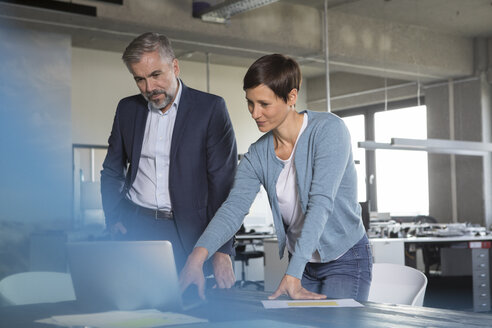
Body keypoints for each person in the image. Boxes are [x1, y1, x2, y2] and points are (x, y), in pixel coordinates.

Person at [180, 54, 372, 301]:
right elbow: (233, 209)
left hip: (345, 259)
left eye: (264, 104)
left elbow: (320, 204)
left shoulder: (328, 130)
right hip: (302, 263)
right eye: (250, 102)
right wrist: (196, 259)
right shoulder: (258, 154)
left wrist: (293, 273)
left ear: (291, 97)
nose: (254, 113)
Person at [100, 32, 237, 289]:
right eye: (139, 79)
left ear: (175, 66)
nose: (149, 88)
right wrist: (113, 218)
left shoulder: (210, 109)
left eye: (155, 75)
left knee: (188, 315)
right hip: (135, 229)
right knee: (133, 310)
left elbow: (223, 186)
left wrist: (223, 249)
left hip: (190, 235)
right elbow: (111, 171)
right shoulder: (127, 109)